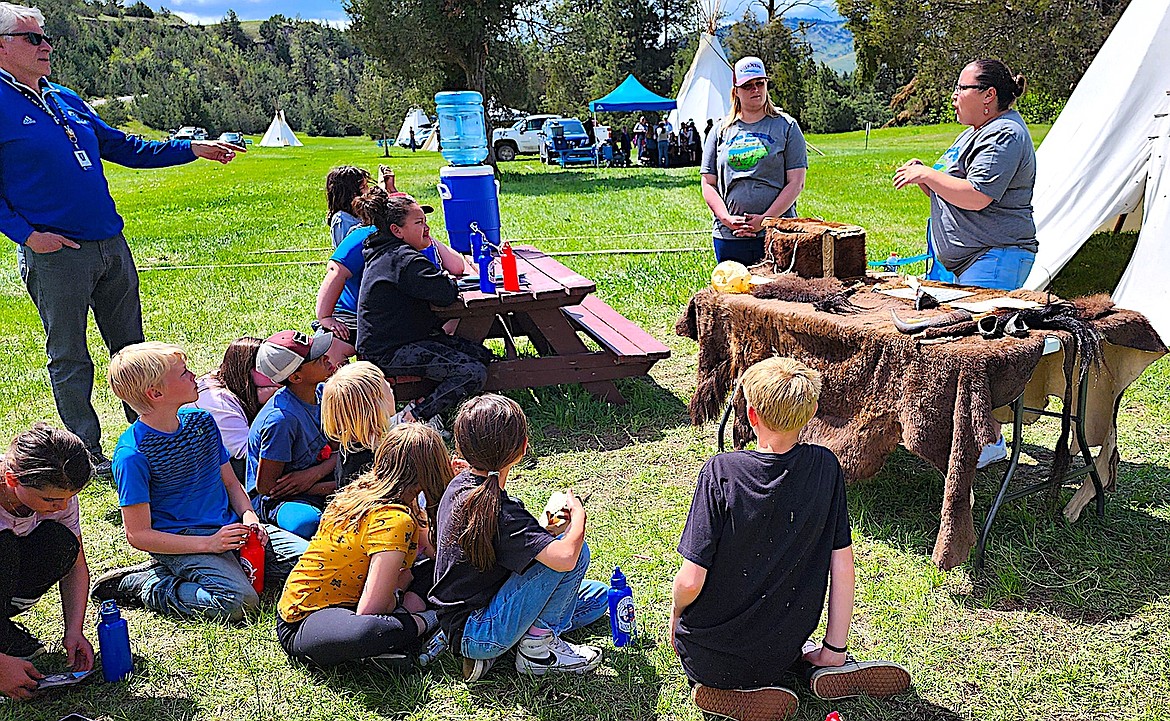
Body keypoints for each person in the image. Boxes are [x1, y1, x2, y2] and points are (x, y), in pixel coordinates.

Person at [0, 3, 243, 478]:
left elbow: (125, 147)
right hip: (57, 253)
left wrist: (191, 148)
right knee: (69, 354)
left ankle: (150, 436)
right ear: (1, 46)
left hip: (110, 243)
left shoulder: (62, 96)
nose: (46, 46)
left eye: (46, 37)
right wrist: (27, 235)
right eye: (32, 38)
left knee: (132, 348)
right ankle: (84, 454)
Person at [669, 358, 910, 720]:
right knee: (796, 648)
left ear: (751, 415)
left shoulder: (721, 472)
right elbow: (843, 567)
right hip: (782, 648)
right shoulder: (825, 467)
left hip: (709, 657)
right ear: (811, 411)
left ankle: (733, 692)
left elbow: (689, 580)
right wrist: (835, 648)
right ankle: (821, 664)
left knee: (715, 663)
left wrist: (675, 617)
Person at [92, 343, 308, 622]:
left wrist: (250, 517)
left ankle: (231, 566)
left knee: (317, 562)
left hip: (231, 530)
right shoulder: (132, 454)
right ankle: (148, 584)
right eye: (183, 374)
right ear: (156, 393)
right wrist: (210, 544)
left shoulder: (202, 422)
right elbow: (138, 535)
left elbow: (231, 483)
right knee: (239, 602)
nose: (194, 375)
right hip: (184, 542)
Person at [429, 395, 609, 681]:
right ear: (522, 448)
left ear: (461, 447)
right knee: (578, 553)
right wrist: (578, 517)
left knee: (599, 597)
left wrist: (544, 531)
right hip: (480, 631)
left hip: (459, 622)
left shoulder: (459, 488)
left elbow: (504, 543)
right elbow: (565, 559)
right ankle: (537, 650)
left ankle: (513, 641)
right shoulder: (502, 512)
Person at [276, 424, 454, 668]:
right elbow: (371, 609)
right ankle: (429, 620)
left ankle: (399, 633)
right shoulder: (395, 520)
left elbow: (437, 553)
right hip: (308, 619)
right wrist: (398, 589)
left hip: (349, 598)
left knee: (437, 571)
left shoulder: (365, 488)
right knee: (369, 630)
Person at [894, 59, 1036, 291]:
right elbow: (950, 191)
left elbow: (977, 196)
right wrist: (923, 176)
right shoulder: (974, 132)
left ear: (988, 95)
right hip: (976, 260)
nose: (954, 95)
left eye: (961, 88)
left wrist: (927, 174)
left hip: (993, 259)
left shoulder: (1003, 135)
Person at [355, 188, 490, 425]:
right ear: (397, 231)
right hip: (388, 352)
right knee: (471, 372)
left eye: (426, 221)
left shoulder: (389, 253)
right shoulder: (403, 259)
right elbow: (445, 293)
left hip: (403, 340)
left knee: (481, 355)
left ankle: (427, 404)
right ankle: (414, 418)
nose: (426, 228)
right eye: (419, 223)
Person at [0, 424, 93, 700]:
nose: (62, 507)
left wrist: (74, 630)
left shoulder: (58, 496)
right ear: (12, 479)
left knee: (62, 542)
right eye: (51, 499)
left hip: (11, 577)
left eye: (68, 498)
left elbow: (76, 567)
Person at [316, 192, 464, 359]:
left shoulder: (411, 242)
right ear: (395, 225)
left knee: (458, 322)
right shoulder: (366, 236)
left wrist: (426, 235)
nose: (424, 225)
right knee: (327, 358)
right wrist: (325, 316)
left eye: (423, 220)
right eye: (418, 221)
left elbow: (457, 267)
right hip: (351, 315)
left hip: (390, 320)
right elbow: (335, 270)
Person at [701, 56, 808, 265]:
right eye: (748, 86)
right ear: (736, 91)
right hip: (729, 236)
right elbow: (708, 183)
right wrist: (726, 219)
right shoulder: (720, 130)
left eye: (760, 83)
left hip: (778, 234)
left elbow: (796, 182)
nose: (755, 90)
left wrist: (766, 220)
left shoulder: (787, 127)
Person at [247, 331, 338, 540]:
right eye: (317, 359)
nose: (327, 358)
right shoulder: (281, 420)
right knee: (308, 523)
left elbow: (338, 448)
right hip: (282, 500)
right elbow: (267, 488)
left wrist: (315, 474)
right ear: (296, 377)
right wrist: (329, 484)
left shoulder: (323, 393)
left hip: (319, 480)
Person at [187, 337, 278, 481]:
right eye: (265, 367)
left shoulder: (230, 380)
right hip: (212, 474)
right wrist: (274, 399)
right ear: (245, 370)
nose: (274, 372)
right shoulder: (219, 404)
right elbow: (248, 453)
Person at [320, 361, 401, 489]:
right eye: (384, 383)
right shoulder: (373, 463)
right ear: (375, 406)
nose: (390, 385)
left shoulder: (351, 448)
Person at [324, 166, 370, 249]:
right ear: (350, 194)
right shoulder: (342, 219)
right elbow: (344, 251)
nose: (368, 190)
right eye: (363, 187)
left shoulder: (363, 212)